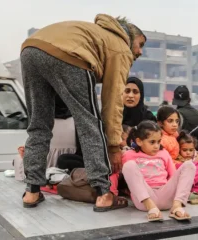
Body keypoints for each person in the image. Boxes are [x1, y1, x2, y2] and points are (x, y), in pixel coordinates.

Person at [20, 14, 146, 210]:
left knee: (38, 124)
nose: (140, 52)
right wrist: (114, 147)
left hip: (31, 49)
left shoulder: (96, 34)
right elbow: (112, 103)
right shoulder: (121, 47)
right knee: (89, 122)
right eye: (140, 44)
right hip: (70, 56)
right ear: (130, 36)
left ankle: (32, 191)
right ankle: (104, 194)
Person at [122, 121, 195, 222]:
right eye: (152, 142)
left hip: (166, 196)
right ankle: (151, 207)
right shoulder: (129, 155)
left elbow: (173, 175)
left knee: (189, 165)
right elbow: (131, 180)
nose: (156, 146)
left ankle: (177, 206)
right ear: (139, 141)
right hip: (144, 200)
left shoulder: (164, 153)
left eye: (158, 141)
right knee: (128, 166)